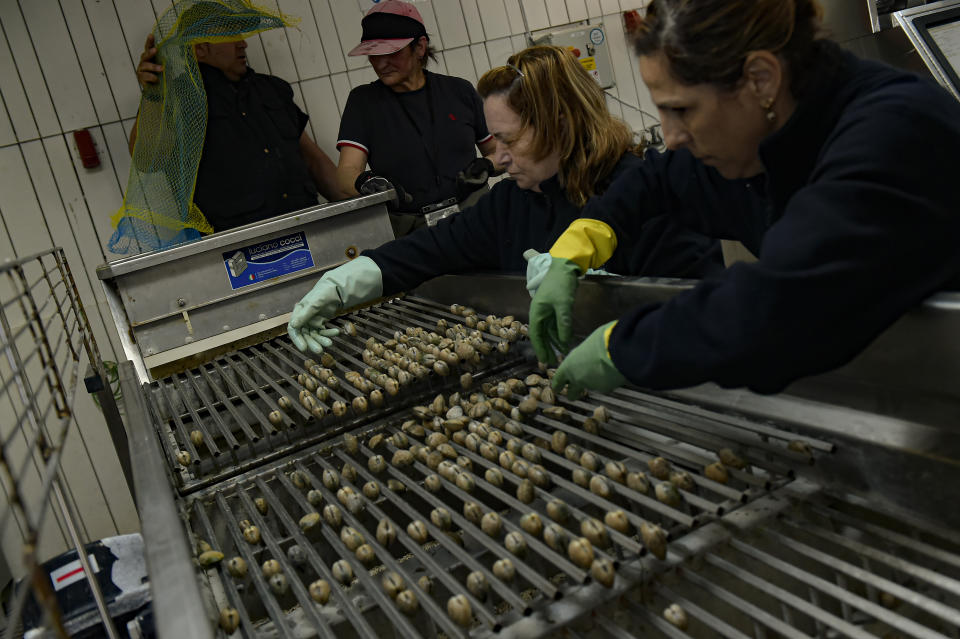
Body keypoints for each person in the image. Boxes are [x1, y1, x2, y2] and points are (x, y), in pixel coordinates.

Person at [528, 0, 960, 398]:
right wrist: (580, 242)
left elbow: (783, 309)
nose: (673, 137)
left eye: (682, 110)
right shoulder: (763, 138)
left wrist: (620, 347)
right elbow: (655, 179)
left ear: (760, 79)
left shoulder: (894, 132)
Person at [287, 45, 722, 354]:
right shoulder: (511, 202)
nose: (498, 157)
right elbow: (428, 251)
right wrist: (345, 281)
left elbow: (700, 298)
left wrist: (603, 296)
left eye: (510, 139)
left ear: (560, 126)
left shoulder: (639, 192)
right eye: (495, 139)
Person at [129, 31, 339, 233]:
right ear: (200, 49)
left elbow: (312, 159)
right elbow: (148, 158)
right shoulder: (179, 98)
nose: (243, 43)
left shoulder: (271, 89)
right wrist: (153, 94)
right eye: (229, 36)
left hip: (308, 226)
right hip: (240, 247)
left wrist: (357, 202)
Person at [335, 0, 499, 237]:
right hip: (411, 232)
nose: (381, 63)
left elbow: (499, 152)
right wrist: (367, 183)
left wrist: (487, 165)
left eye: (391, 52)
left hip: (477, 217)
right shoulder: (363, 102)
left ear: (420, 47)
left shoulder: (458, 91)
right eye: (373, 54)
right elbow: (346, 173)